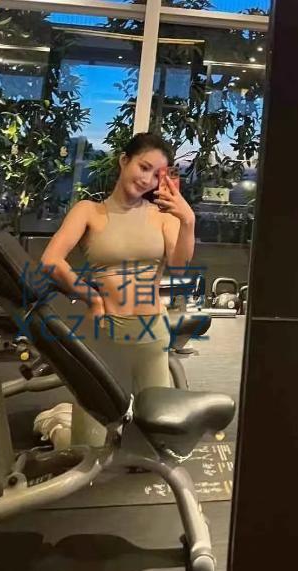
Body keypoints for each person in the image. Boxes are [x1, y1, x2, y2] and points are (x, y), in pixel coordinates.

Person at [33, 133, 196, 448]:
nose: (147, 179)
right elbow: (50, 262)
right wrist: (91, 296)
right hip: (104, 335)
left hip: (152, 336)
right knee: (87, 449)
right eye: (143, 167)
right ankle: (54, 422)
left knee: (155, 446)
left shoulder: (166, 217)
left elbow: (179, 269)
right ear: (124, 160)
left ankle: (71, 417)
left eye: (157, 175)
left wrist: (187, 220)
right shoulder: (88, 211)